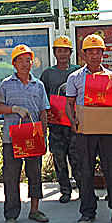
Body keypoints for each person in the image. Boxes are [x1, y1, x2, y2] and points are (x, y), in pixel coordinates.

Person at [65, 34, 112, 223]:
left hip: (108, 130)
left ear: (103, 54)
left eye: (98, 52)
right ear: (83, 55)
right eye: (90, 52)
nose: (94, 55)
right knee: (85, 170)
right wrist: (72, 121)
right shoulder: (75, 77)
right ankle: (87, 211)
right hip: (85, 131)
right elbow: (69, 103)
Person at [0, 44, 50, 223]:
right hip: (11, 138)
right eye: (21, 61)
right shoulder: (6, 84)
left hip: (32, 136)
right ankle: (11, 214)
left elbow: (43, 111)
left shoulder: (38, 85)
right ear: (14, 64)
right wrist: (13, 109)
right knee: (11, 176)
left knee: (35, 174)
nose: (25, 64)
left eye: (28, 60)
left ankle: (35, 209)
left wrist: (44, 135)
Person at [39, 35, 81, 202]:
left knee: (77, 158)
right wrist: (46, 113)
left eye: (65, 50)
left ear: (70, 53)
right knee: (59, 158)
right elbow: (42, 97)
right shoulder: (48, 74)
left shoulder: (78, 71)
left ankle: (83, 189)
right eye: (59, 50)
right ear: (54, 53)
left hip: (75, 122)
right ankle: (65, 190)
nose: (62, 54)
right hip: (56, 124)